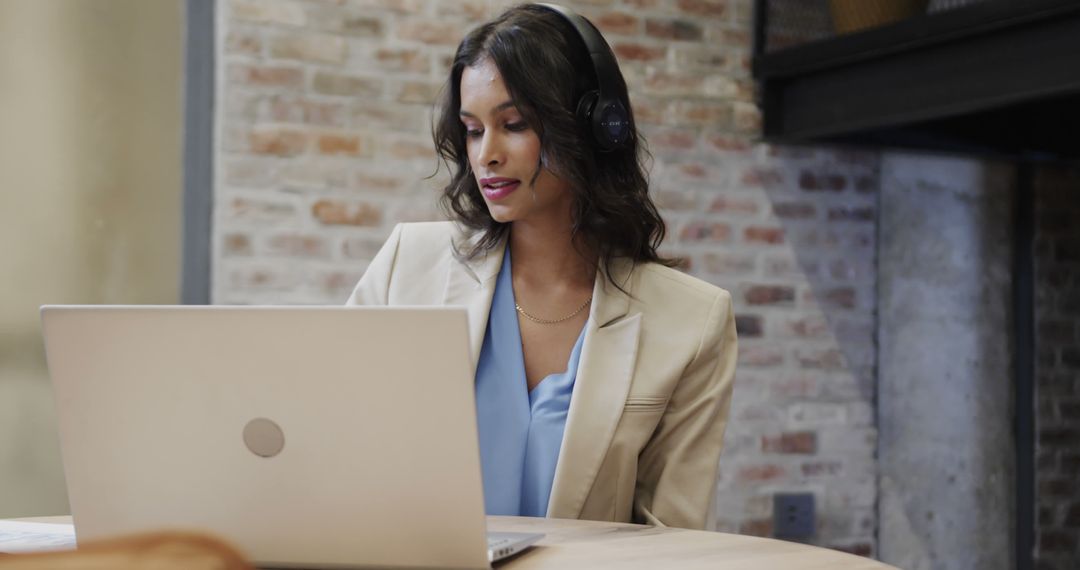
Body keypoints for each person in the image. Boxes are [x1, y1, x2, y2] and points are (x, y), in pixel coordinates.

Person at [347, 2, 737, 530]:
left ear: (596, 129)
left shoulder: (692, 321)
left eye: (513, 124)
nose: (486, 154)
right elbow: (338, 461)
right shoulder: (405, 265)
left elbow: (674, 539)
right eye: (472, 130)